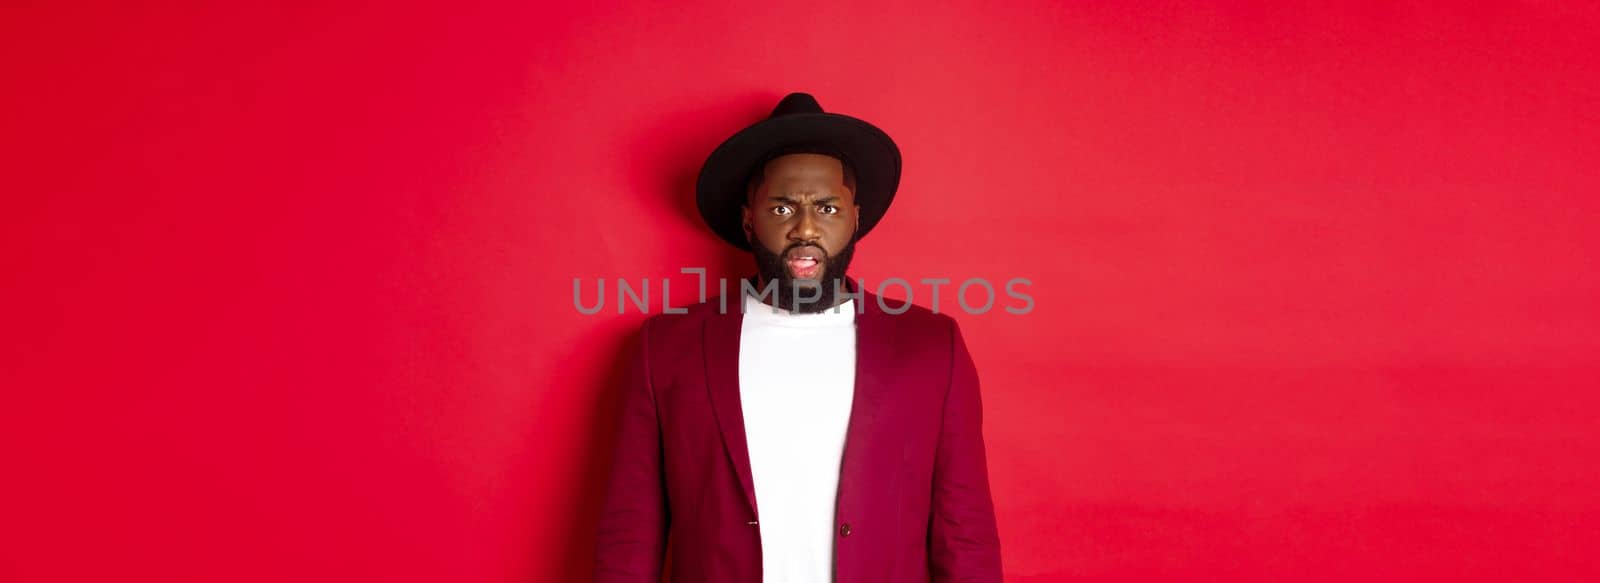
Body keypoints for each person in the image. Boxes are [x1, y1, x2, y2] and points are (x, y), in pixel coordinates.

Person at [594, 92, 1002, 582]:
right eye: (783, 209)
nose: (805, 228)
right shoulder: (665, 348)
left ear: (856, 218)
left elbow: (965, 532)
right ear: (749, 220)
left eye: (827, 208)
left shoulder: (932, 348)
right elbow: (631, 533)